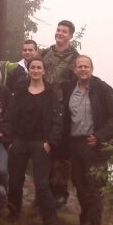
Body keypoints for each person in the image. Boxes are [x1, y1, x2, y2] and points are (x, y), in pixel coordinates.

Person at [60, 55, 113, 225]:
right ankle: (85, 223)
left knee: (95, 188)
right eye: (79, 66)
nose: (82, 69)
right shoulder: (69, 89)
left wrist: (99, 136)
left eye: (86, 66)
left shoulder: (103, 89)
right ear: (74, 70)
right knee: (80, 186)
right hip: (75, 143)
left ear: (92, 69)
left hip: (94, 143)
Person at [4, 56, 63, 225]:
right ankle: (13, 215)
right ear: (28, 70)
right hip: (19, 141)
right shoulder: (20, 90)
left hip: (41, 143)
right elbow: (10, 115)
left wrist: (50, 142)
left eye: (39, 67)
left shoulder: (51, 92)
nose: (36, 70)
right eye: (33, 67)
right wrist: (10, 141)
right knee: (14, 181)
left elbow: (57, 121)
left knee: (42, 185)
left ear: (44, 71)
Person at [41, 20, 80, 207]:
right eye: (58, 30)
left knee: (61, 152)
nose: (60, 33)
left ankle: (60, 193)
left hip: (63, 109)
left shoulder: (75, 58)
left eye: (64, 31)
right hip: (44, 106)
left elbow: (77, 84)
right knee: (44, 148)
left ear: (71, 36)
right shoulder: (46, 53)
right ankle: (44, 192)